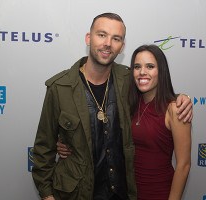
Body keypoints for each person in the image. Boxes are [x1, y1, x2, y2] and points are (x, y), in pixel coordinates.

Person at [32, 13, 193, 200]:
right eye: (101, 35)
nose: (108, 43)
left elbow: (155, 89)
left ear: (121, 47)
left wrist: (183, 98)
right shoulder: (60, 88)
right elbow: (43, 149)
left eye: (116, 38)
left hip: (123, 193)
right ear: (88, 38)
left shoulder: (128, 80)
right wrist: (47, 195)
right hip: (77, 193)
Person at [129, 45, 191, 199]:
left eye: (150, 66)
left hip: (159, 193)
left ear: (161, 71)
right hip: (130, 192)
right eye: (137, 67)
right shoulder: (131, 104)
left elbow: (183, 165)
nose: (142, 72)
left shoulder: (175, 109)